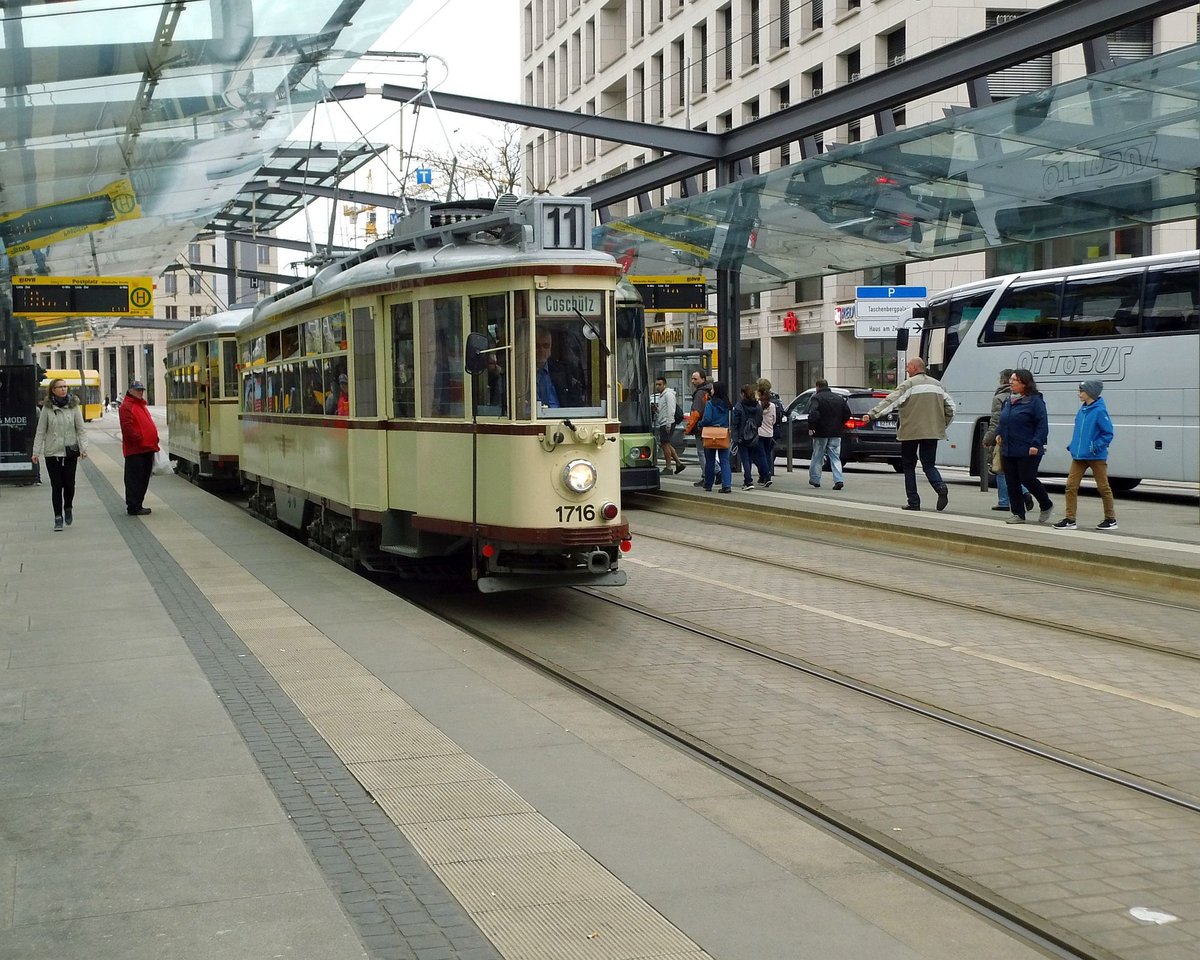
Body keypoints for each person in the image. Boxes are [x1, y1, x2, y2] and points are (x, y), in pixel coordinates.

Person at [864, 357, 954, 511]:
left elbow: (891, 401)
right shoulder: (937, 385)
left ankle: (914, 501)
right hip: (932, 432)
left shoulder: (909, 384)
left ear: (914, 367)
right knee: (929, 464)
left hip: (911, 432)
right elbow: (951, 408)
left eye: (908, 367)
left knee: (909, 465)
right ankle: (940, 487)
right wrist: (941, 425)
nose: (906, 369)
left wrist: (872, 414)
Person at [1054, 380, 1118, 531]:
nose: (1079, 393)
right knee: (1071, 486)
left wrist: (1095, 446)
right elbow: (1080, 432)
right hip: (1079, 455)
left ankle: (1110, 519)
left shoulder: (1099, 411)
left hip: (1096, 456)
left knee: (1103, 487)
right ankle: (1070, 519)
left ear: (1090, 393)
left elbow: (1108, 433)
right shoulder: (1082, 410)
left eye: (1081, 391)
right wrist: (1073, 445)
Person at [995, 368, 1054, 524]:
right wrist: (998, 434)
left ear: (1025, 383)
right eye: (1011, 379)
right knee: (1012, 482)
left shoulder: (1035, 401)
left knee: (1027, 478)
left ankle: (1046, 504)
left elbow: (1042, 425)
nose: (1011, 382)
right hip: (1008, 448)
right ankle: (1018, 514)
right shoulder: (1008, 401)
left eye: (1015, 380)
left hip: (1028, 448)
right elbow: (1003, 421)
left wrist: (1036, 443)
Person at [31, 378, 88, 532]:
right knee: (57, 486)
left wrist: (83, 448)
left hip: (70, 451)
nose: (63, 389)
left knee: (69, 484)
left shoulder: (74, 406)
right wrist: (35, 452)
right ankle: (58, 516)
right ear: (53, 390)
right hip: (52, 452)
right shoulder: (47, 408)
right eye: (60, 387)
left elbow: (81, 429)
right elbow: (41, 431)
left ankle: (68, 507)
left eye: (65, 386)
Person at [983, 369, 1034, 514]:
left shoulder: (1000, 397)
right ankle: (1023, 493)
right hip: (1016, 439)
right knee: (1011, 472)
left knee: (999, 469)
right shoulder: (1019, 396)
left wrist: (988, 438)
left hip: (1003, 438)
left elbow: (996, 421)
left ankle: (1004, 501)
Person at [118, 379, 160, 517]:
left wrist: (153, 438)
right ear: (130, 391)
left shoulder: (141, 405)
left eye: (141, 390)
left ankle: (138, 504)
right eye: (138, 390)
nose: (140, 392)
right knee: (135, 479)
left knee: (143, 478)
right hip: (136, 450)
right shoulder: (127, 406)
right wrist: (139, 440)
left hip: (147, 448)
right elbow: (127, 427)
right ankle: (133, 506)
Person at [807, 379, 852, 491]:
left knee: (818, 455)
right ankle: (838, 480)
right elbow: (847, 413)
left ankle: (815, 479)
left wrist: (812, 427)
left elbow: (813, 413)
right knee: (835, 457)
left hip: (820, 432)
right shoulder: (839, 398)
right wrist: (839, 423)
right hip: (836, 432)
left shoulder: (816, 398)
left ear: (817, 386)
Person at [696, 380, 733, 493]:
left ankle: (708, 484)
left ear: (716, 390)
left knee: (710, 460)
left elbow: (707, 419)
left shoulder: (710, 404)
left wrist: (700, 424)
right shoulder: (728, 405)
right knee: (725, 460)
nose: (711, 390)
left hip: (710, 434)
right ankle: (726, 485)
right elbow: (733, 419)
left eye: (712, 389)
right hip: (724, 433)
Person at [535, 331, 583, 408]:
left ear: (550, 348)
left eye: (546, 346)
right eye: (537, 346)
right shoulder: (521, 372)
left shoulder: (562, 371)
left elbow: (576, 401)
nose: (541, 350)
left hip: (560, 417)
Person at [732, 384, 763, 490]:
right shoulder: (757, 406)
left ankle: (748, 481)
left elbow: (735, 422)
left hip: (742, 436)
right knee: (749, 458)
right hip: (754, 436)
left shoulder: (739, 406)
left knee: (745, 459)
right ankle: (747, 480)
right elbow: (759, 421)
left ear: (742, 394)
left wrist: (735, 438)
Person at [683, 369, 712, 481]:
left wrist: (688, 428)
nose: (692, 381)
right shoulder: (709, 390)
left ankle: (707, 475)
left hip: (701, 427)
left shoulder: (700, 392)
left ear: (703, 379)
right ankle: (714, 471)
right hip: (710, 426)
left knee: (702, 452)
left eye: (695, 379)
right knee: (708, 452)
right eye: (692, 378)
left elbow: (696, 413)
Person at [653, 375, 684, 475]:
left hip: (667, 422)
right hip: (664, 421)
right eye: (656, 384)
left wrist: (668, 424)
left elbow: (671, 409)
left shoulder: (668, 395)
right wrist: (656, 410)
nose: (658, 386)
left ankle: (668, 467)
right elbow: (663, 410)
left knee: (665, 444)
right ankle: (678, 463)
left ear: (665, 385)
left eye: (660, 384)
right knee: (665, 443)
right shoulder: (662, 395)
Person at [754, 383, 778, 487]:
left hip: (759, 433)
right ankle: (766, 474)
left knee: (760, 455)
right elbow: (774, 420)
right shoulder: (772, 406)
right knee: (767, 455)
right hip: (769, 433)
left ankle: (766, 475)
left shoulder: (757, 405)